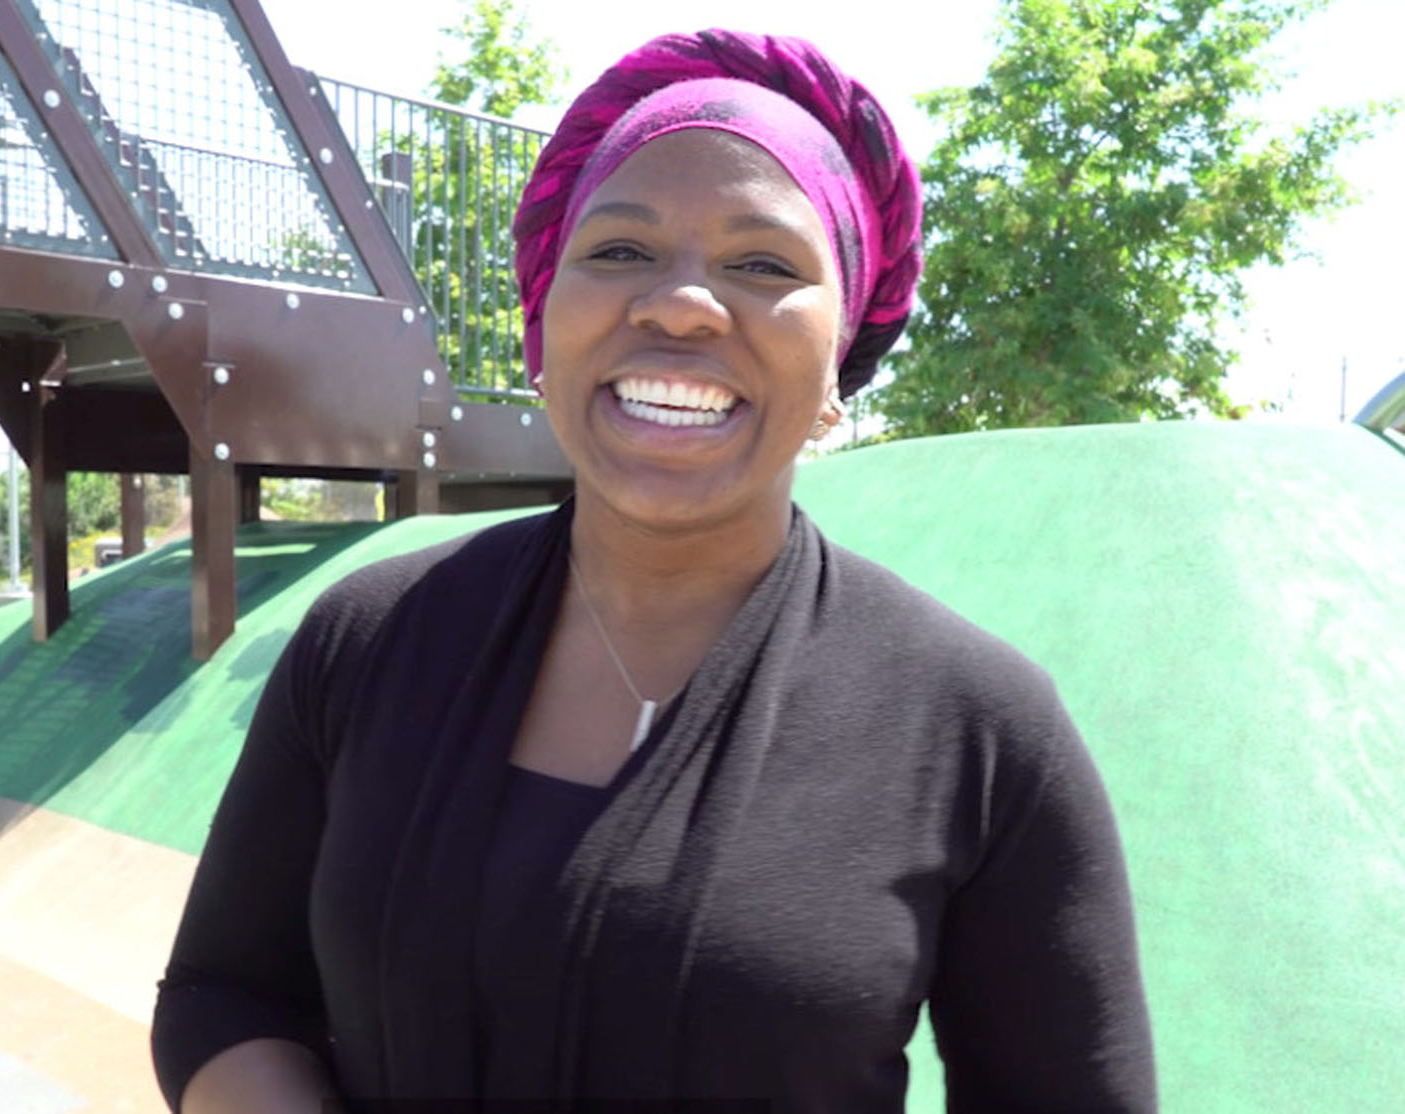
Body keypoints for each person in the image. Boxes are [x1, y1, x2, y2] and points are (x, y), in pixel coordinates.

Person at [151, 28, 1156, 1113]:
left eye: (762, 264)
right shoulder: (367, 641)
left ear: (837, 369)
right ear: (543, 326)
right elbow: (223, 994)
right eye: (620, 251)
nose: (679, 303)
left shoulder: (979, 730)